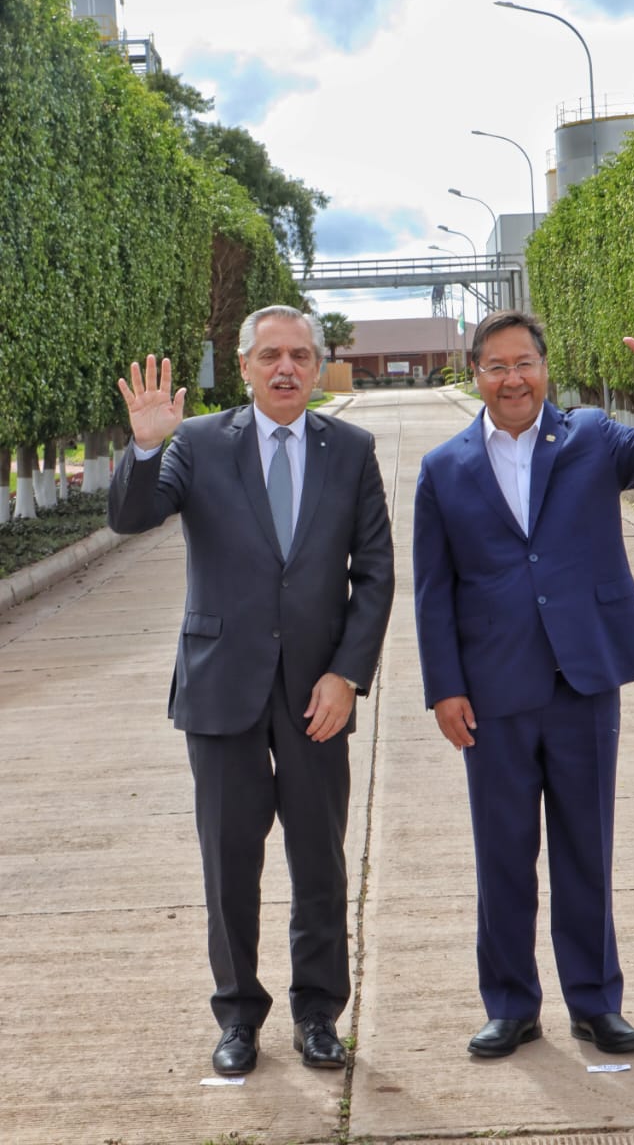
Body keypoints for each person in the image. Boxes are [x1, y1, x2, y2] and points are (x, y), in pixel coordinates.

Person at [412, 296, 634, 1059]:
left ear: (545, 369)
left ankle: (594, 1002)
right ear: (473, 374)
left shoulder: (591, 437)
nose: (513, 379)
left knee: (585, 850)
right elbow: (432, 590)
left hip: (583, 679)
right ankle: (510, 1006)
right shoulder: (442, 469)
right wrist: (444, 687)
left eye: (525, 364)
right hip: (492, 691)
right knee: (502, 855)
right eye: (496, 367)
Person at [109, 305, 394, 1075]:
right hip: (220, 687)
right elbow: (132, 518)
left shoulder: (351, 450)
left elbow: (374, 574)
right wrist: (145, 446)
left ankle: (318, 1015)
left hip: (316, 694)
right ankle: (237, 1016)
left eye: (300, 354)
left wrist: (347, 675)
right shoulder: (199, 443)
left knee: (319, 863)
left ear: (317, 364)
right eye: (270, 355)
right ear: (243, 367)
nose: (286, 368)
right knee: (228, 864)